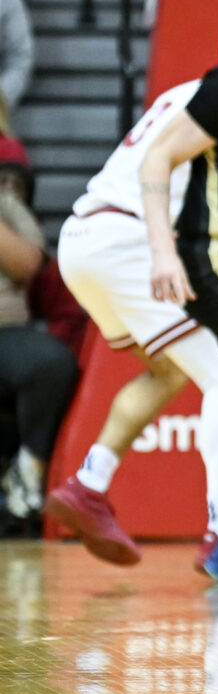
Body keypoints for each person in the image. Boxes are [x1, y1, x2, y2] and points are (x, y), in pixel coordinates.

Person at [43, 10, 218, 573]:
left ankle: (90, 482)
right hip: (128, 239)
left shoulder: (186, 94)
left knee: (168, 370)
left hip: (81, 237)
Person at [0, 142, 74, 535]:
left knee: (50, 362)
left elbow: (29, 264)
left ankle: (28, 472)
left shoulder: (6, 201)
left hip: (5, 329)